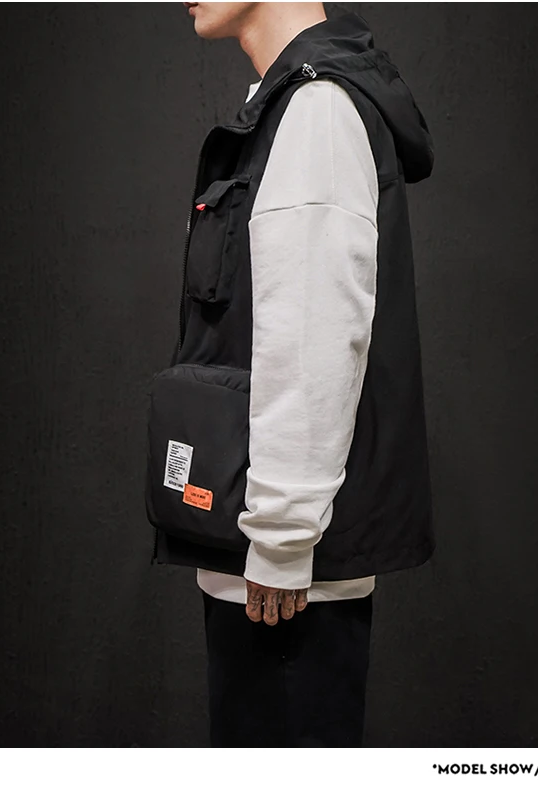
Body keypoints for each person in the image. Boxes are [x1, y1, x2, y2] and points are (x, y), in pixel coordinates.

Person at [155, 2, 435, 747]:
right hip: (260, 554)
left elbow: (316, 332)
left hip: (283, 577)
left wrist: (280, 538)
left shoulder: (316, 110)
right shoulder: (286, 106)